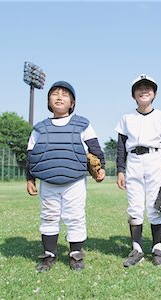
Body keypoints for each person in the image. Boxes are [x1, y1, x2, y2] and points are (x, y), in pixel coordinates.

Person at [26, 81, 106, 272]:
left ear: (72, 103)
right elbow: (31, 155)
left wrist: (101, 167)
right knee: (49, 216)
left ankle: (75, 254)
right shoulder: (39, 128)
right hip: (48, 181)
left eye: (65, 94)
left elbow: (95, 148)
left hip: (75, 181)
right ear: (48, 101)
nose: (59, 97)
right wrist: (30, 179)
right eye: (55, 94)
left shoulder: (82, 124)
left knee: (75, 216)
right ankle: (49, 255)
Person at [115, 74, 161, 267]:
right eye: (139, 88)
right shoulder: (126, 118)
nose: (144, 91)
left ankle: (157, 248)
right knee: (135, 207)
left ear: (154, 94)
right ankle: (137, 249)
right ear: (134, 95)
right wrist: (120, 170)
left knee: (155, 207)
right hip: (133, 161)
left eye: (148, 88)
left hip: (155, 160)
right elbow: (121, 147)